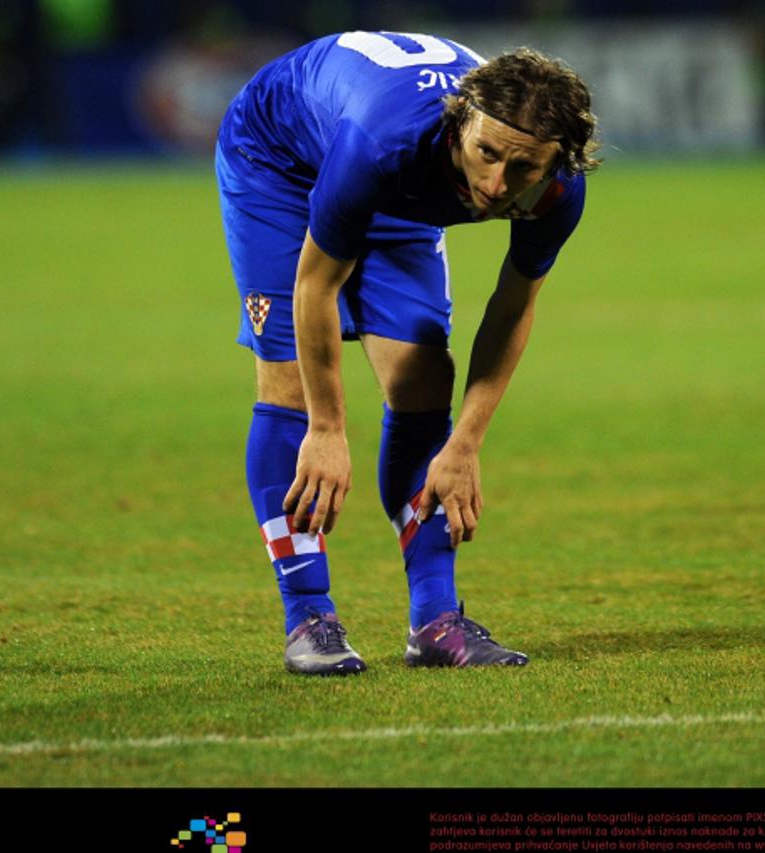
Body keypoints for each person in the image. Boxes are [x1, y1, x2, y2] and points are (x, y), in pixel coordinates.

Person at [215, 30, 598, 675]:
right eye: (488, 154)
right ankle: (308, 617)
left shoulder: (556, 194)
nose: (498, 184)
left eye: (523, 168)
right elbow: (316, 283)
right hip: (280, 160)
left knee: (424, 381)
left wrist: (467, 442)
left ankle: (436, 621)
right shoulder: (385, 144)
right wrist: (328, 427)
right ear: (461, 124)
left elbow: (512, 307)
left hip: (401, 192)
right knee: (287, 385)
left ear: (556, 163)